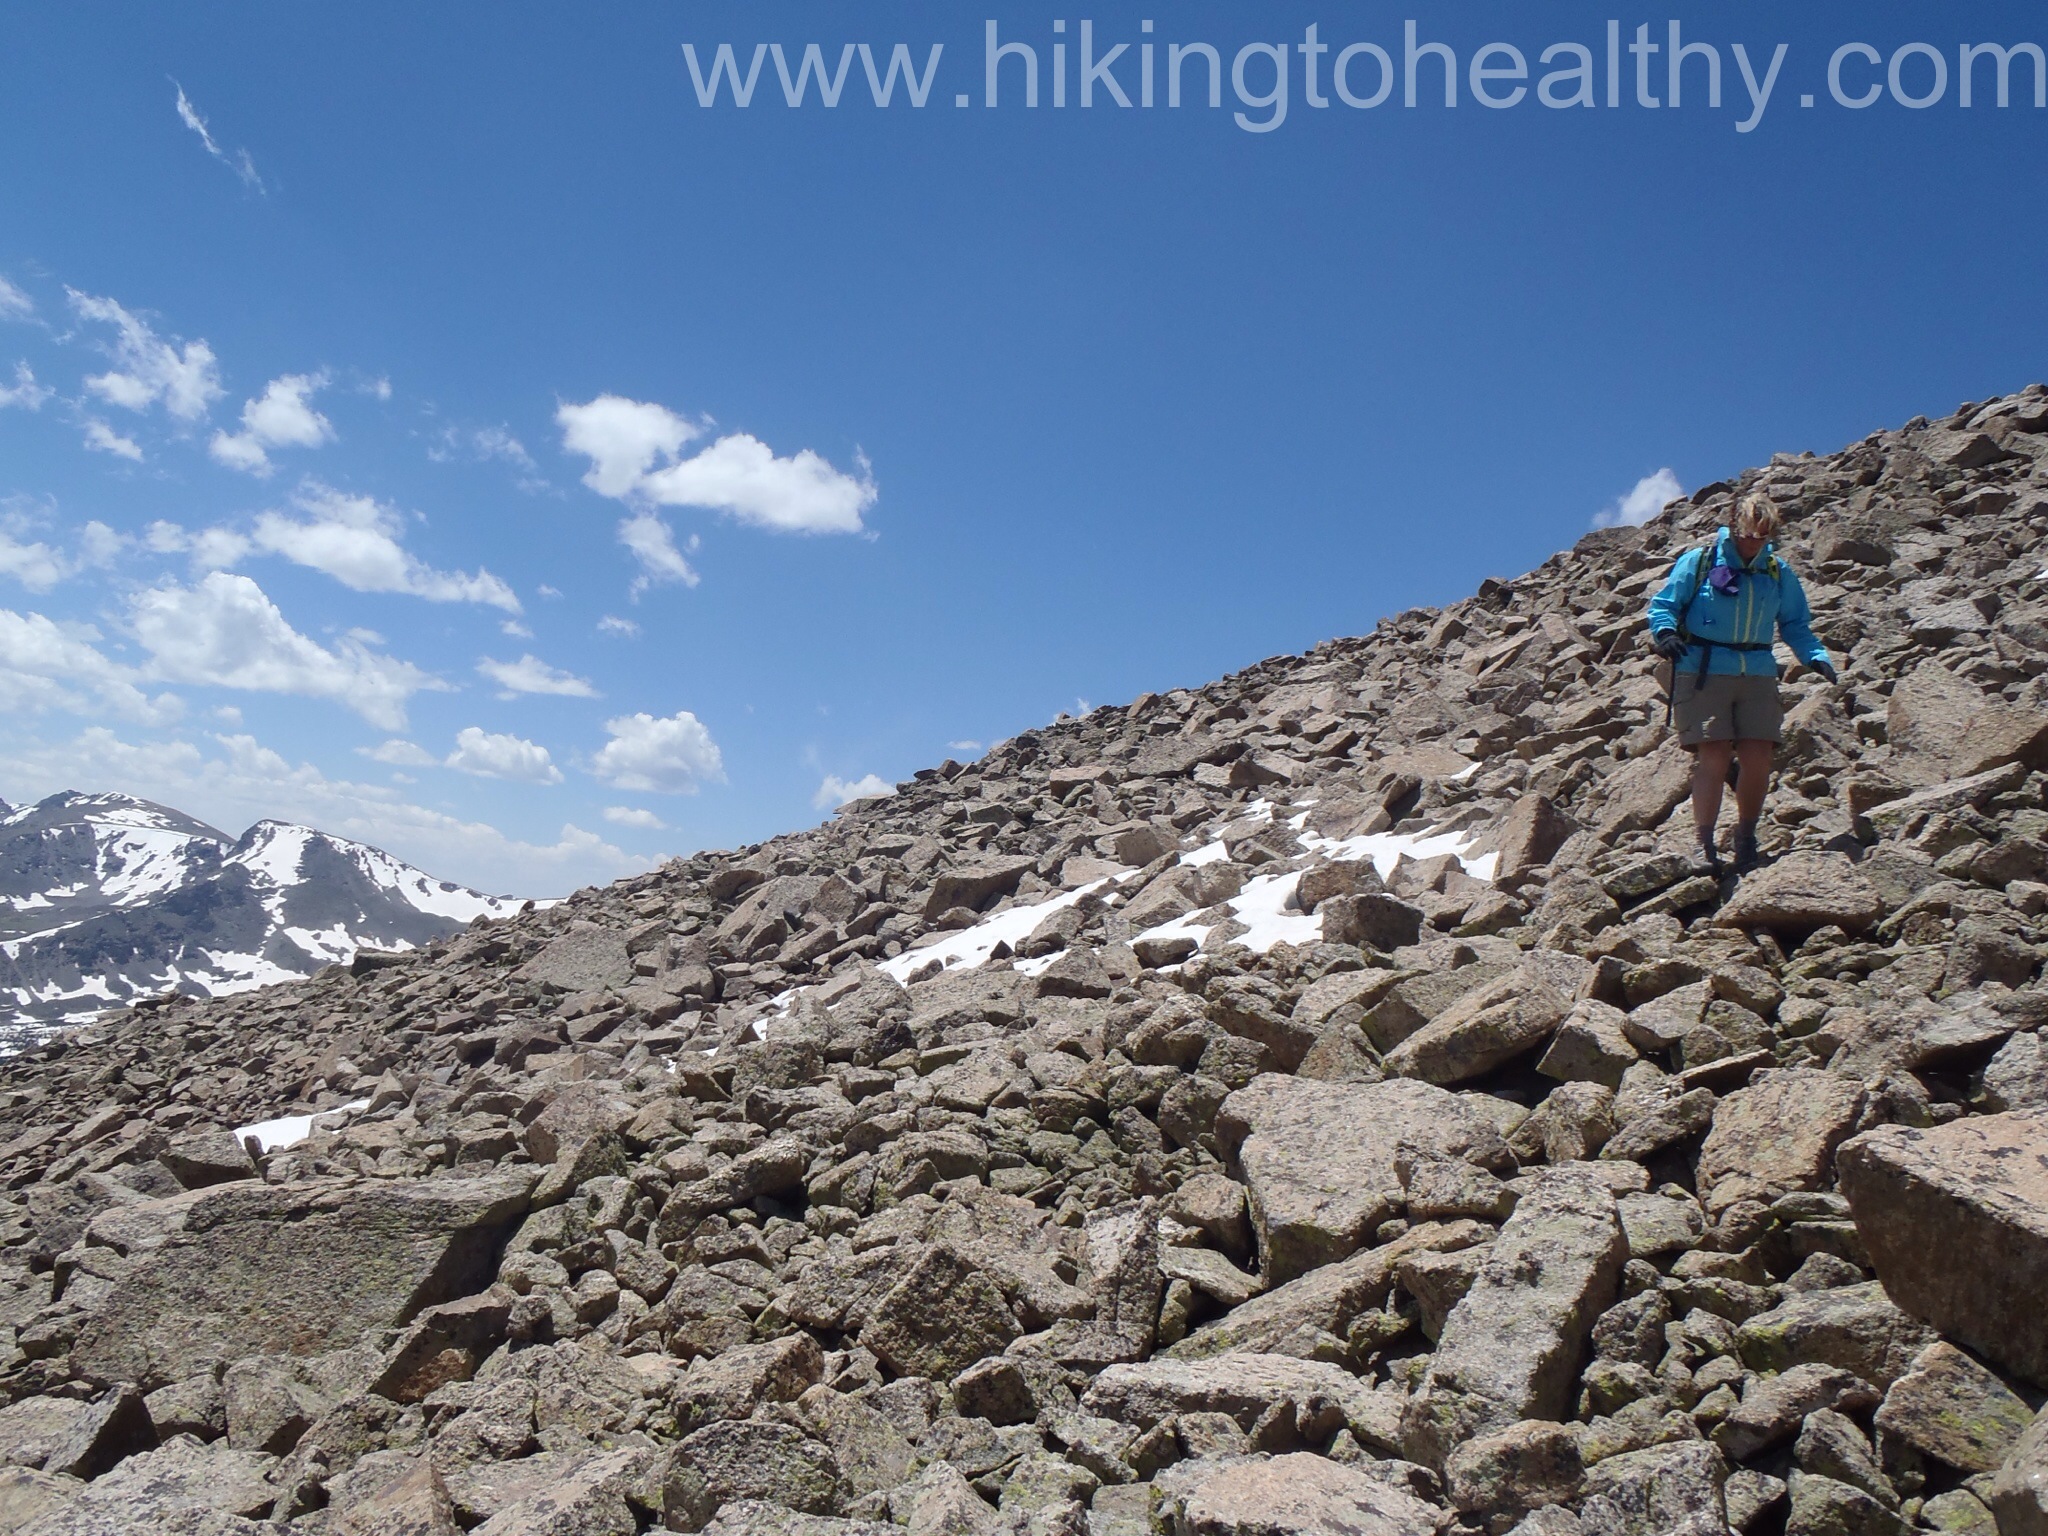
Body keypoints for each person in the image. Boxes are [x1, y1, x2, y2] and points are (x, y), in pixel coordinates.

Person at [1646, 494, 1837, 876]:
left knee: (1757, 757)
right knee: (1714, 755)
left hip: (1757, 672)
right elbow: (1664, 605)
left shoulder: (1777, 571)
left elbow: (1795, 624)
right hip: (1704, 669)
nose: (1754, 543)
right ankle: (1704, 844)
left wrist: (1816, 656)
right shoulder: (1701, 561)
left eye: (1762, 536)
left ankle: (1746, 837)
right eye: (1748, 534)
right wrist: (1665, 633)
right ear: (1734, 526)